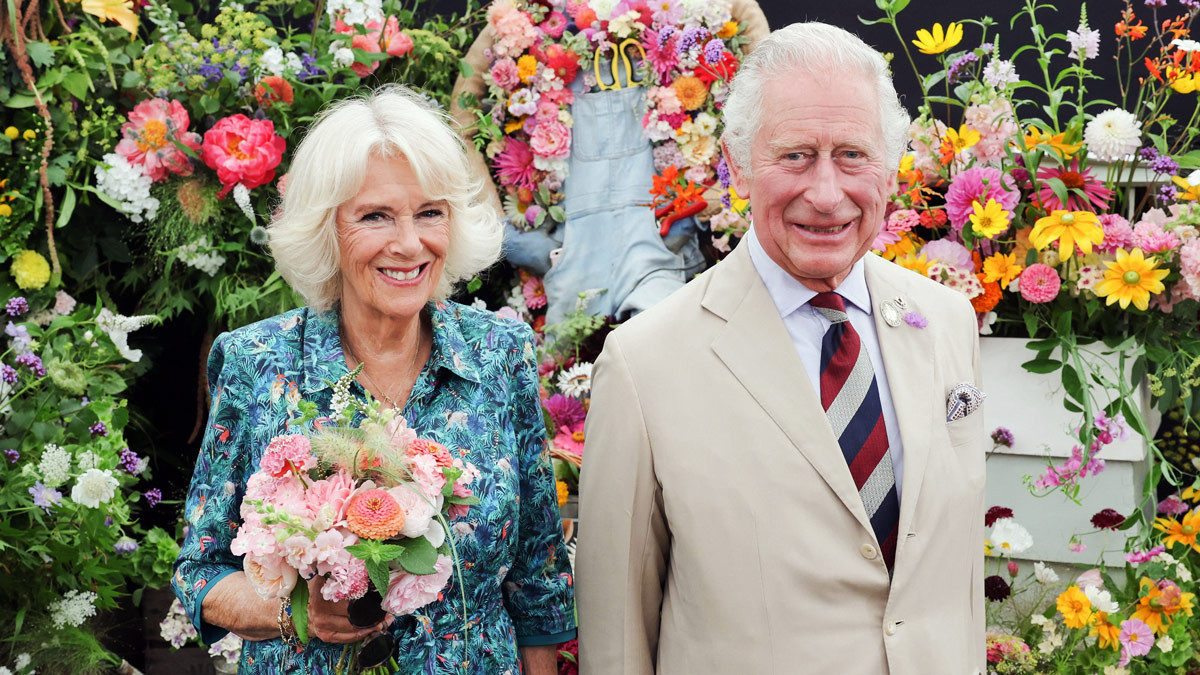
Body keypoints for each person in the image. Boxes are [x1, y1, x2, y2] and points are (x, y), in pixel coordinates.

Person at [577, 22, 986, 675]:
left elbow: (949, 579)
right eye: (795, 155)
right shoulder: (643, 364)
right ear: (738, 165)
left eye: (853, 154)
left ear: (890, 163)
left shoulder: (946, 320)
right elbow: (616, 637)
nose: (826, 193)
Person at [172, 85, 576, 674]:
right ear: (326, 228)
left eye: (430, 212)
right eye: (376, 216)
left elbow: (536, 574)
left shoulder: (500, 353)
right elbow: (201, 571)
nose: (410, 244)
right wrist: (293, 611)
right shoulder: (256, 361)